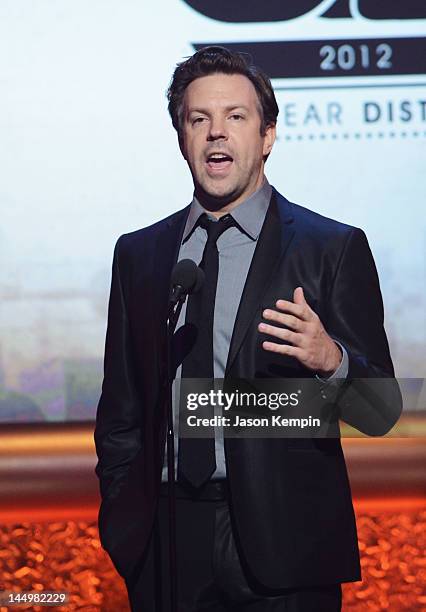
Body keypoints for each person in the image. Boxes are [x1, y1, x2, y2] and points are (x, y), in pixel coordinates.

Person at [94, 46, 401, 611]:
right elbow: (121, 410)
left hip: (284, 545)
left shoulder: (331, 248)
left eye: (236, 117)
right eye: (199, 119)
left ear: (267, 136)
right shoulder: (139, 255)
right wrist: (125, 520)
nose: (217, 133)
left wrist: (331, 360)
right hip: (165, 543)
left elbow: (380, 413)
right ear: (181, 137)